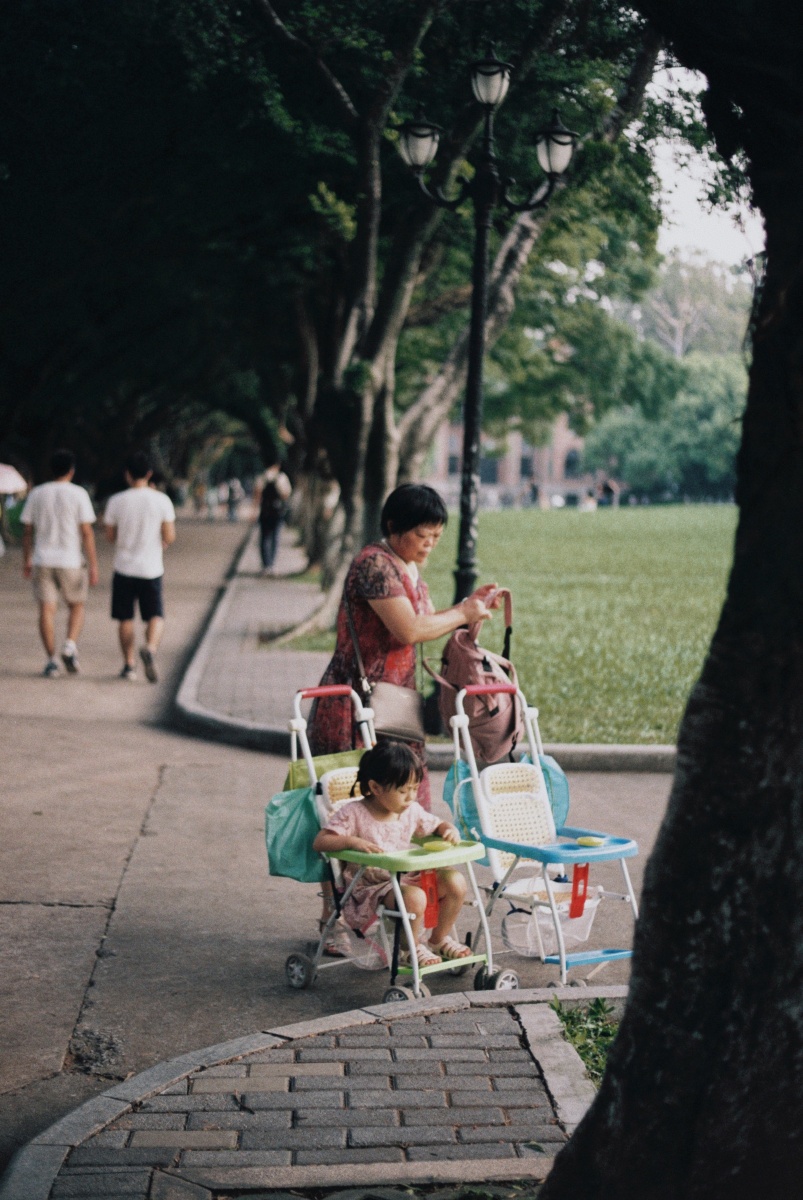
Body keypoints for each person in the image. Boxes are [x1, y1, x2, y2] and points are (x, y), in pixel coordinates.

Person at [307, 482, 498, 955]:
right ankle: (335, 919)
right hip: (354, 704)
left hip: (394, 703)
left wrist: (466, 613)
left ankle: (419, 924)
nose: (430, 544)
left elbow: (428, 628)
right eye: (422, 534)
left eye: (436, 535)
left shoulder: (409, 569)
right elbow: (409, 628)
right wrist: (462, 611)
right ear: (393, 527)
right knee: (348, 815)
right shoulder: (374, 565)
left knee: (406, 808)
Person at [312, 741, 473, 967]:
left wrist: (448, 829)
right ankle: (410, 948)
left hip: (405, 877)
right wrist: (352, 841)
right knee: (415, 896)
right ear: (376, 788)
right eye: (403, 791)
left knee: (455, 882)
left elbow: (436, 825)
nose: (411, 797)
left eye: (415, 789)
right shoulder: (354, 813)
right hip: (371, 887)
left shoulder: (411, 810)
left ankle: (437, 940)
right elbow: (320, 841)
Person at [20, 449, 99, 677]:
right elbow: (86, 532)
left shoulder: (37, 494)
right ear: (72, 470)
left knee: (46, 609)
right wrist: (93, 564)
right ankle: (70, 645)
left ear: (50, 469)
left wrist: (27, 559)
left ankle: (51, 660)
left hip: (42, 560)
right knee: (76, 605)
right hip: (71, 560)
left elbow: (27, 532)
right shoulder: (79, 494)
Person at [104, 451, 176, 683]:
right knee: (155, 615)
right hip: (151, 568)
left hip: (124, 567)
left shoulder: (116, 501)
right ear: (149, 473)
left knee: (125, 618)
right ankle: (151, 649)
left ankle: (129, 665)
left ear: (127, 475)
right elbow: (169, 535)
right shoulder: (162, 500)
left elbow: (110, 536)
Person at [256, 462, 292, 574]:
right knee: (275, 538)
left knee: (265, 538)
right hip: (277, 512)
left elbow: (257, 493)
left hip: (265, 511)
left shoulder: (262, 477)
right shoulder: (281, 478)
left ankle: (266, 565)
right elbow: (286, 494)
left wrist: (254, 510)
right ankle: (271, 564)